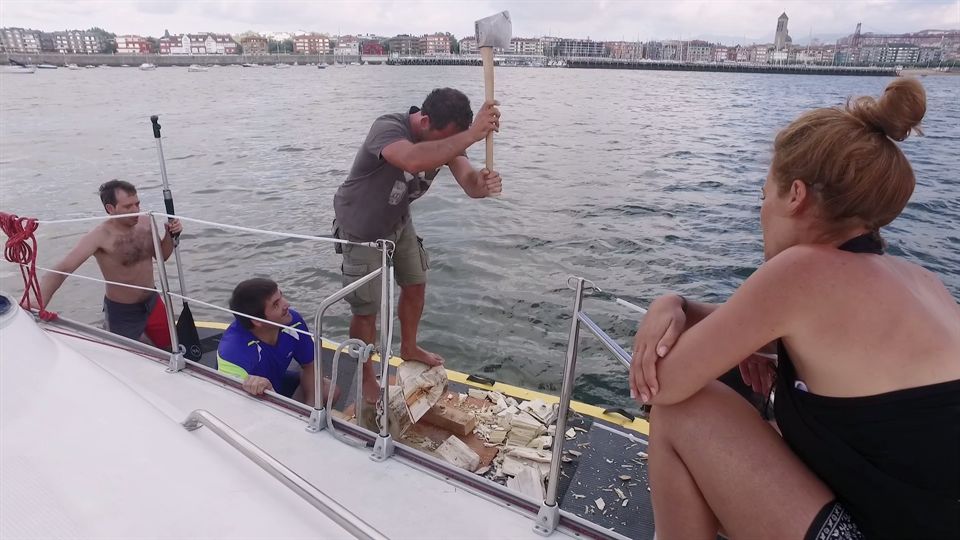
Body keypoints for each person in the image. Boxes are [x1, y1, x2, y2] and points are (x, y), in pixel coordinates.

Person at [629, 79, 959, 540]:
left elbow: (660, 385)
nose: (761, 210)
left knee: (684, 411)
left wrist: (668, 313)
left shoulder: (803, 270)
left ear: (796, 195)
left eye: (763, 195)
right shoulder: (924, 283)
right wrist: (676, 304)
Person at [332, 88, 502, 402]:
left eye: (455, 140)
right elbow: (411, 160)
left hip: (397, 221)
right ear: (424, 121)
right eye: (446, 139)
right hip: (361, 226)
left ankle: (408, 346)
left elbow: (469, 182)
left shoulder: (450, 140)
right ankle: (366, 375)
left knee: (415, 283)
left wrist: (482, 184)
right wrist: (471, 135)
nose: (449, 148)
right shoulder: (387, 127)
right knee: (366, 309)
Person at [36, 180, 183, 349]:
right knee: (125, 356)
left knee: (171, 347)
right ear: (110, 208)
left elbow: (162, 256)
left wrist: (171, 235)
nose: (136, 210)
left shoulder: (146, 222)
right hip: (123, 312)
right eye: (128, 207)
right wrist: (37, 302)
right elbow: (63, 268)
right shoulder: (100, 236)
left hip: (153, 302)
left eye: (137, 204)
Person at [217, 278, 337, 405]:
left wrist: (311, 408)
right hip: (251, 399)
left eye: (281, 296)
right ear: (257, 321)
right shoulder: (232, 353)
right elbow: (230, 405)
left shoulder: (293, 321)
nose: (287, 304)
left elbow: (310, 365)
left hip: (276, 384)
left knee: (328, 390)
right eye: (276, 304)